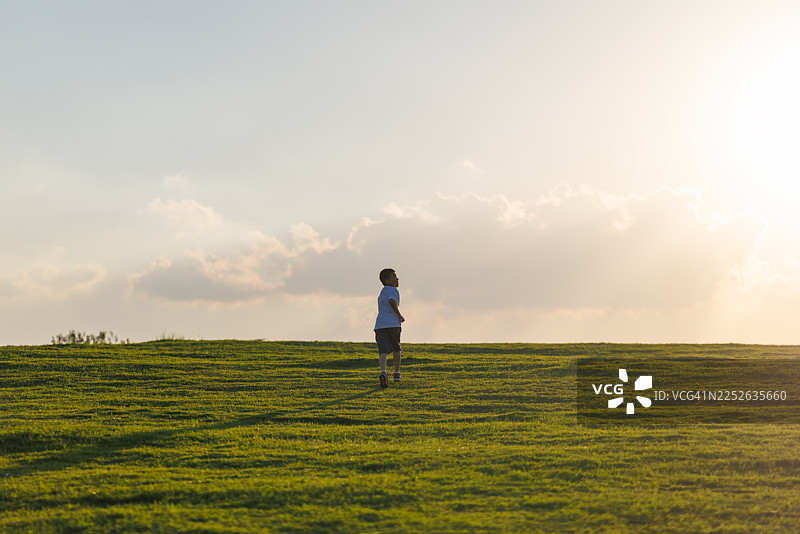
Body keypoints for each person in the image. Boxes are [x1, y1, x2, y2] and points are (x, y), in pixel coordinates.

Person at [374, 268, 405, 388]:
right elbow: (392, 301)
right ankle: (396, 373)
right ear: (387, 281)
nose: (397, 279)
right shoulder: (393, 290)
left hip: (380, 324)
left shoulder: (382, 292)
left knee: (383, 350)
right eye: (394, 277)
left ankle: (383, 372)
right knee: (396, 348)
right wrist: (399, 315)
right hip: (392, 323)